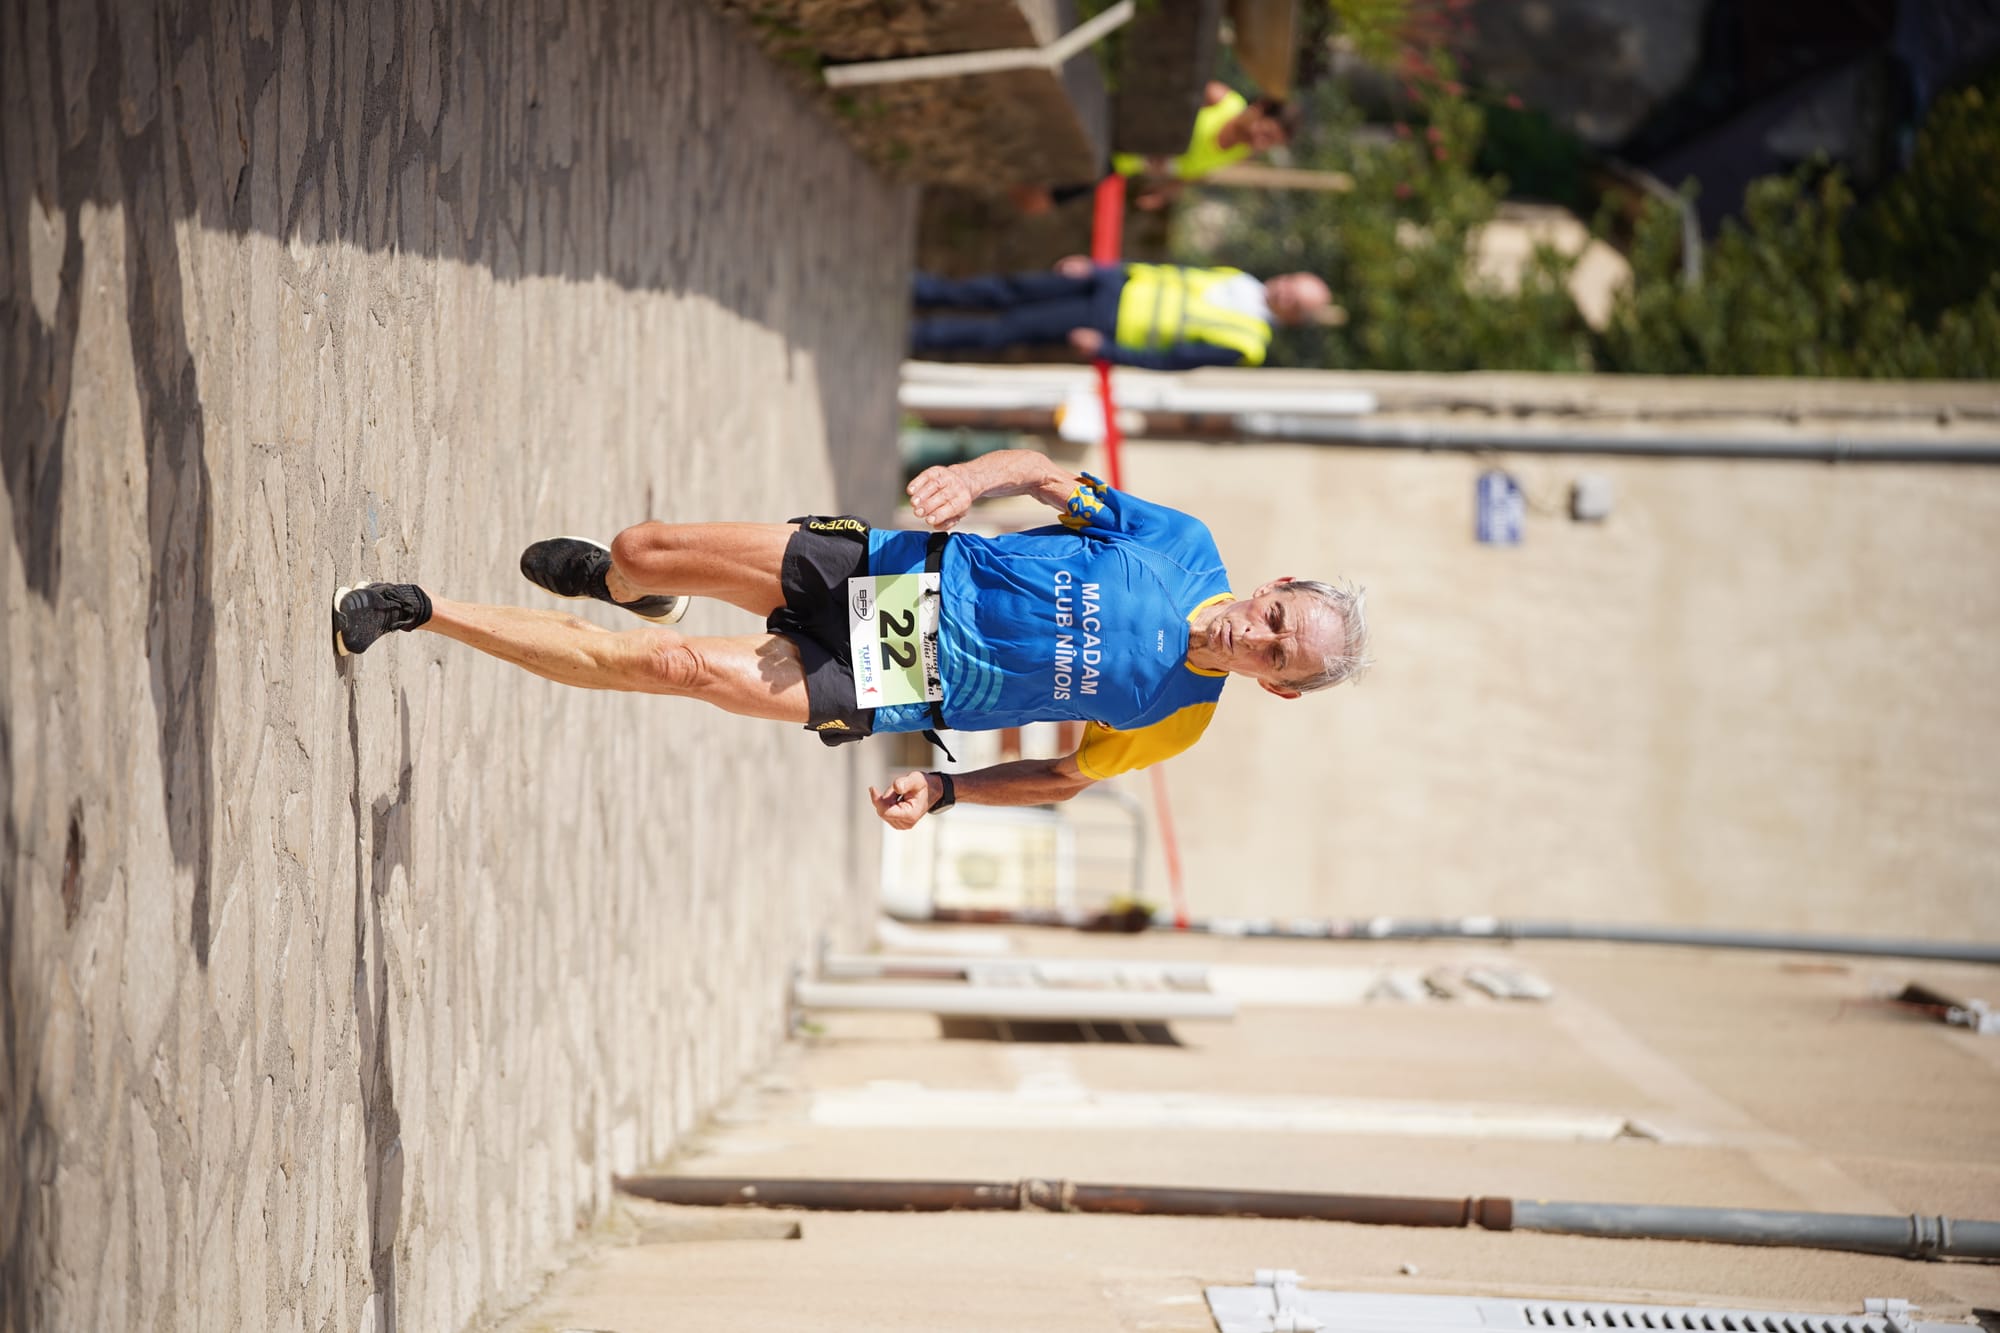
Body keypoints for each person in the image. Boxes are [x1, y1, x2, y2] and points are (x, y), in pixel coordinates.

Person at [330, 450, 1369, 828]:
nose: (1255, 637)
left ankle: (418, 607)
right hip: (895, 571)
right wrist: (975, 480)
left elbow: (1062, 778)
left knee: (680, 667)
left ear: (1274, 689)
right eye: (1274, 618)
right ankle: (622, 581)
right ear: (1271, 585)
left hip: (894, 673)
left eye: (1277, 656)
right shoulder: (1178, 545)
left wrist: (949, 790)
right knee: (645, 547)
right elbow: (1050, 475)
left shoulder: (1174, 719)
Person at [911, 260, 1332, 370]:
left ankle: (924, 335)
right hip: (1113, 284)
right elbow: (1168, 273)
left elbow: (1170, 361)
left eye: (1294, 299)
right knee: (1011, 288)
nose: (1284, 290)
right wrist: (1102, 267)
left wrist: (1107, 349)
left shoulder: (1248, 342)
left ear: (1293, 317)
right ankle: (928, 291)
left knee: (1010, 328)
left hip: (1107, 321)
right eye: (1292, 283)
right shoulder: (1243, 279)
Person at [1014, 82, 1299, 214]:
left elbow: (1193, 175)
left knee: (1038, 201)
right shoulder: (1220, 99)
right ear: (1260, 108)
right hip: (1111, 132)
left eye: (1269, 143)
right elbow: (1163, 89)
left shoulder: (1239, 155)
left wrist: (1165, 193)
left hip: (1118, 165)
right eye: (1266, 132)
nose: (1260, 142)